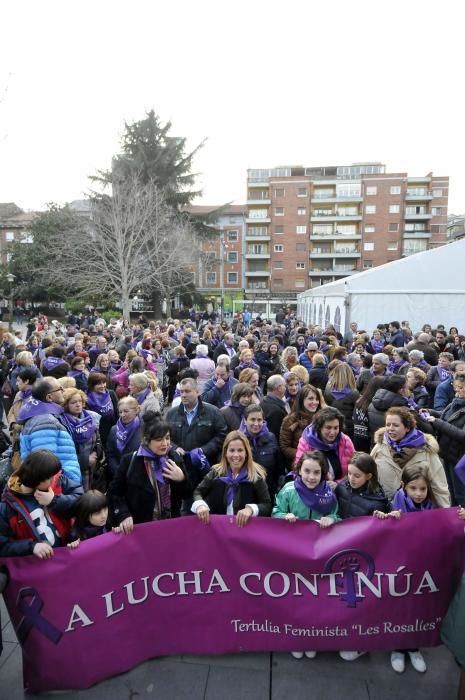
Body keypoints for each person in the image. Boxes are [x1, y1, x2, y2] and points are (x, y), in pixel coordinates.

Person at [272, 450, 339, 660]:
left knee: (315, 597)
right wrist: (284, 515)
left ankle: (311, 638)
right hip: (292, 553)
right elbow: (275, 512)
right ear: (299, 470)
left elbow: (336, 514)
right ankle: (296, 637)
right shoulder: (288, 490)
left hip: (319, 554)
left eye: (316, 472)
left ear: (323, 474)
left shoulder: (329, 494)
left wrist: (333, 519)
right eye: (307, 471)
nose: (311, 476)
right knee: (294, 596)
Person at [108, 411, 192, 530]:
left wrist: (182, 479)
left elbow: (187, 494)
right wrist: (124, 515)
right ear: (147, 440)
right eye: (159, 439)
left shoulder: (174, 458)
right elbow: (114, 493)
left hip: (170, 525)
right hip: (141, 528)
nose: (165, 444)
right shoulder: (130, 461)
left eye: (167, 438)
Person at [0, 449, 83, 557]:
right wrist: (31, 547)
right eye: (50, 478)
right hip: (40, 567)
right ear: (36, 479)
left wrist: (54, 501)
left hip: (68, 555)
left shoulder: (58, 480)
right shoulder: (7, 507)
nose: (55, 479)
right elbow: (3, 546)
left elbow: (83, 502)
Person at [371, 407, 450, 507]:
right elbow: (369, 476)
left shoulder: (426, 450)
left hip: (415, 511)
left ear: (407, 428)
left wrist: (444, 514)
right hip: (385, 509)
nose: (390, 429)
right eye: (388, 425)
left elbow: (439, 487)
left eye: (395, 425)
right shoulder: (380, 446)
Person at [192, 430, 271, 524]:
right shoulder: (216, 473)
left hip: (244, 531)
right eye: (232, 450)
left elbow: (267, 505)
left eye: (240, 450)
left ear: (246, 452)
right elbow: (198, 492)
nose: (236, 455)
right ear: (225, 452)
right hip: (219, 529)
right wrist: (200, 505)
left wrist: (251, 509)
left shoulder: (256, 476)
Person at [16, 377, 81, 484]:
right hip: (59, 486)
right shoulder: (44, 421)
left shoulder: (40, 414)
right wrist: (66, 484)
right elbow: (45, 468)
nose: (63, 391)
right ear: (49, 397)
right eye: (60, 389)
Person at [166, 377, 228, 482]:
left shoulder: (213, 412)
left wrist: (202, 451)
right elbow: (164, 437)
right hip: (179, 468)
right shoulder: (171, 414)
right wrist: (175, 448)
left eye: (187, 391)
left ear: (197, 391)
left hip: (205, 468)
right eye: (181, 391)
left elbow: (222, 436)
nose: (184, 395)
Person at [426, 372, 465, 506]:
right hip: (448, 454)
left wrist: (438, 423)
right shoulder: (456, 401)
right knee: (451, 491)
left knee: (461, 494)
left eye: (461, 388)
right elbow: (447, 416)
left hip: (459, 458)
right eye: (456, 387)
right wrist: (430, 412)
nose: (457, 391)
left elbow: (462, 435)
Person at [295, 407, 354, 484]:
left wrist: (338, 484)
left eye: (336, 428)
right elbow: (299, 471)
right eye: (328, 427)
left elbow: (354, 469)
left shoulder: (345, 441)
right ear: (319, 427)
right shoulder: (306, 442)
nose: (332, 432)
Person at [61, 388, 102, 491]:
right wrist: (85, 460)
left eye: (80, 401)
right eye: (73, 402)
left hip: (92, 467)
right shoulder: (63, 422)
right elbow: (65, 451)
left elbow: (98, 439)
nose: (78, 404)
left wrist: (96, 453)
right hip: (75, 468)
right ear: (66, 405)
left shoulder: (91, 418)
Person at [240, 404, 283, 498]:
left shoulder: (271, 438)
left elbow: (279, 469)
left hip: (268, 492)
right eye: (252, 419)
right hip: (245, 493)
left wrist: (278, 489)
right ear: (245, 420)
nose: (256, 423)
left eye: (259, 420)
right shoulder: (238, 440)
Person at [280, 384, 326, 470]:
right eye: (311, 399)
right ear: (302, 400)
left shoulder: (323, 418)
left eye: (317, 399)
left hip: (322, 463)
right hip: (300, 464)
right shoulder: (290, 420)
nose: (315, 402)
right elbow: (285, 447)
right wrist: (304, 454)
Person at [335, 452, 389, 520]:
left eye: (357, 476)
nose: (351, 479)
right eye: (349, 473)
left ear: (368, 476)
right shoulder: (341, 487)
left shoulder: (377, 503)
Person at [105, 397, 142, 482]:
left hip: (138, 477)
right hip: (118, 476)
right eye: (120, 412)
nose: (122, 415)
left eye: (126, 411)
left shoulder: (145, 428)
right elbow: (110, 453)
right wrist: (118, 471)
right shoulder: (114, 430)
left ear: (136, 411)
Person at [324, 363, 359, 438]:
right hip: (347, 428)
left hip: (330, 425)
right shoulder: (354, 393)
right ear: (350, 375)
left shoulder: (327, 389)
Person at [86, 372, 119, 448]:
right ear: (92, 385)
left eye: (104, 383)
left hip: (113, 428)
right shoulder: (87, 399)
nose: (103, 386)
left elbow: (117, 412)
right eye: (99, 384)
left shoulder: (111, 393)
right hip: (99, 432)